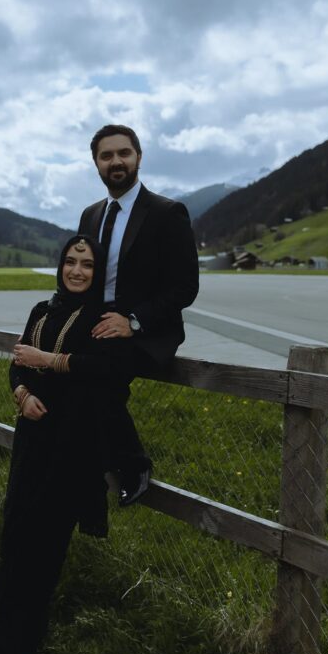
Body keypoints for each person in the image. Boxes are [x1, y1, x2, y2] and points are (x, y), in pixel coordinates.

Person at [0, 234, 147, 654]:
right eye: (70, 261)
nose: (77, 271)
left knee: (45, 541)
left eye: (87, 265)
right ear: (60, 265)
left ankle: (20, 641)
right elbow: (16, 362)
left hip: (72, 444)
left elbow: (107, 369)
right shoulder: (42, 310)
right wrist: (22, 392)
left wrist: (47, 361)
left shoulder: (103, 319)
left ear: (98, 271)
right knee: (15, 532)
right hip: (32, 435)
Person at [78, 123, 200, 499]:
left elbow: (185, 287)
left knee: (94, 374)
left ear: (139, 158)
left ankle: (133, 464)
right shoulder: (90, 215)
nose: (116, 161)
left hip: (147, 332)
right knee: (57, 367)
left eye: (123, 153)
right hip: (98, 325)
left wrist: (132, 322)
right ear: (96, 163)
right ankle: (83, 464)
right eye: (106, 155)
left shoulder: (168, 213)